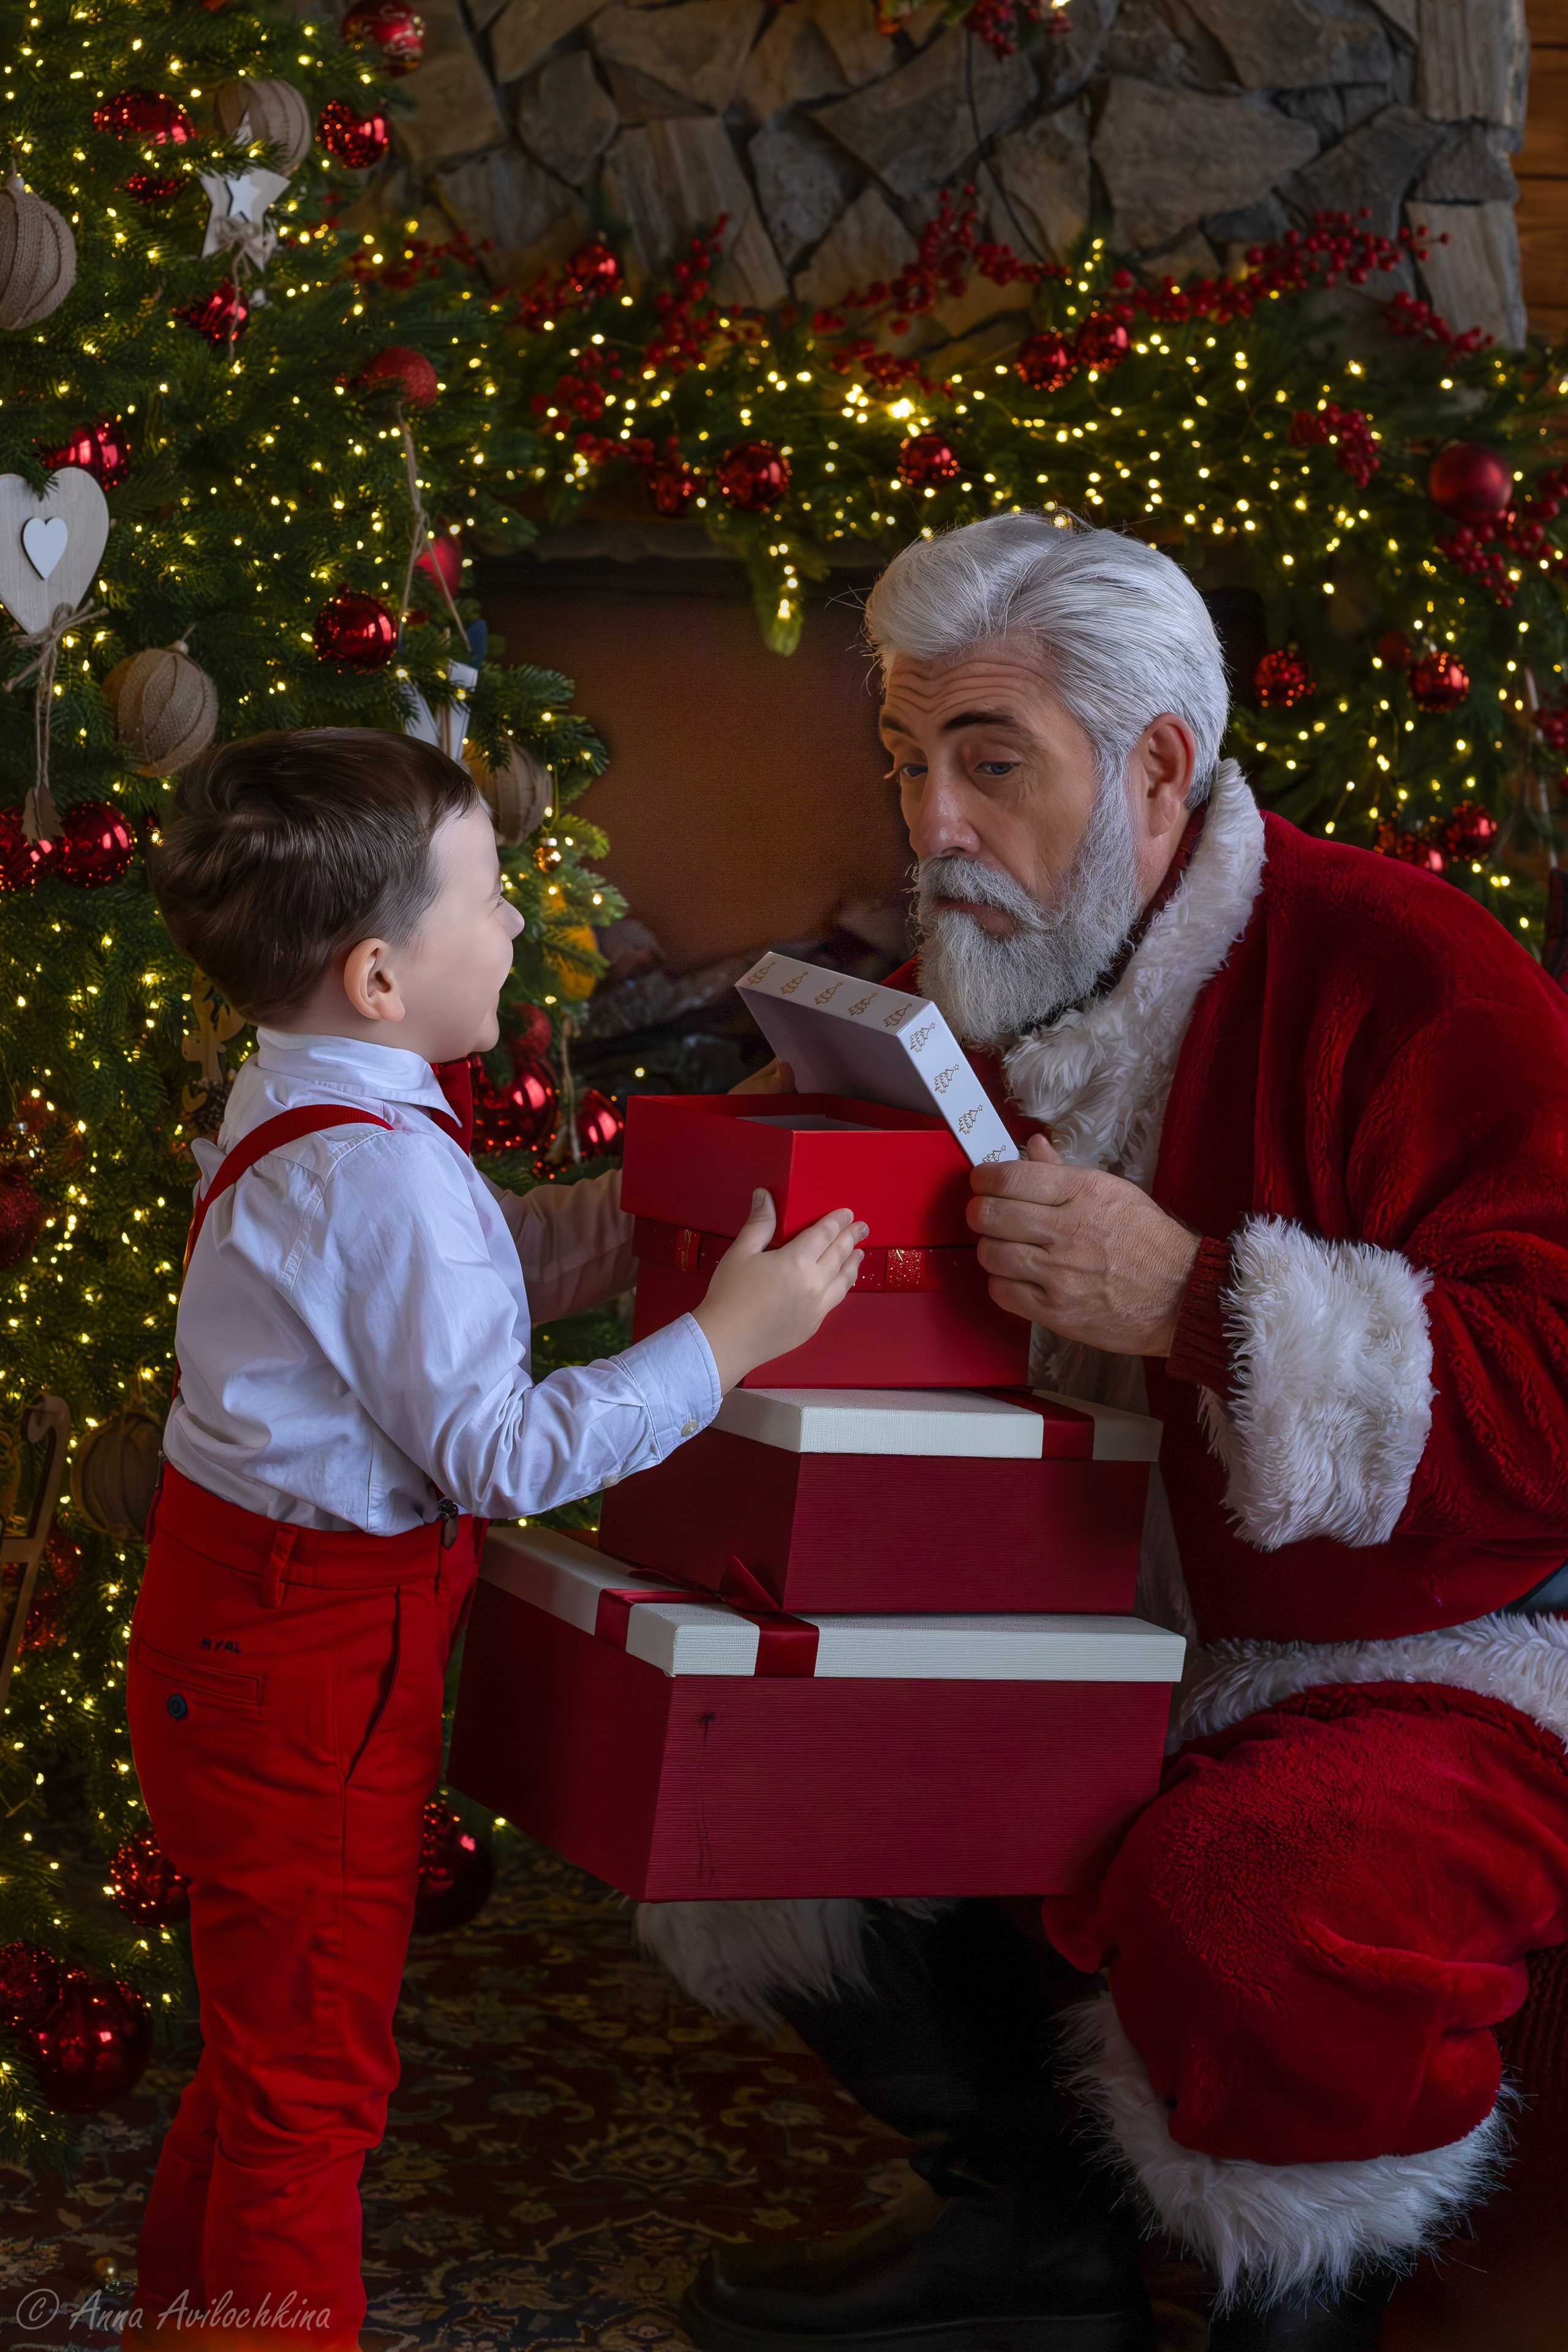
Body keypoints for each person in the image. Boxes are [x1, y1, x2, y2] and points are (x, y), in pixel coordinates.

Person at [637, 516, 1568, 2352]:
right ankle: (1030, 2236)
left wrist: (1197, 1302)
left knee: (1265, 1891)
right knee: (731, 1753)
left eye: (992, 763)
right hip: (1086, 1605)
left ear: (1156, 763)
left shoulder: (1412, 975)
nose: (933, 829)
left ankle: (1293, 2307)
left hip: (1419, 1645)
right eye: (909, 766)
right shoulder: (961, 983)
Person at [130, 729, 868, 2350]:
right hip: (301, 1669)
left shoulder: (324, 1101)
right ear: (382, 976)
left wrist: (700, 1160)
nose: (521, 929)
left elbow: (469, 1292)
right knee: (314, 2090)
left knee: (265, 2066)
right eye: (489, 899)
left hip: (248, 1639)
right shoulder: (378, 1178)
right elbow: (498, 1450)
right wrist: (726, 1344)